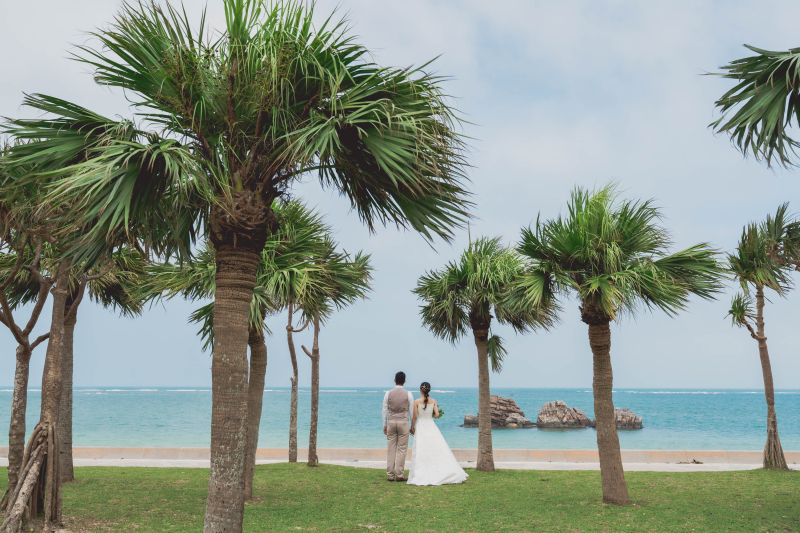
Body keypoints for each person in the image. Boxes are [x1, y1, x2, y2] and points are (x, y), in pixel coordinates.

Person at [407, 382, 468, 486]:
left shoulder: (416, 402)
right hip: (431, 426)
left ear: (420, 390)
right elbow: (437, 414)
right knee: (435, 447)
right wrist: (430, 415)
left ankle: (424, 470)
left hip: (421, 426)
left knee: (423, 449)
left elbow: (415, 417)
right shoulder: (433, 401)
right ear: (428, 390)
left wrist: (412, 427)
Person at [382, 371, 414, 482]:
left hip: (391, 422)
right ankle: (399, 475)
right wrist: (413, 426)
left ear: (394, 380)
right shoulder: (408, 394)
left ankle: (390, 475)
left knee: (391, 449)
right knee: (402, 449)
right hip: (403, 423)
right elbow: (412, 412)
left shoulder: (388, 393)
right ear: (404, 381)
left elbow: (384, 411)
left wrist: (384, 425)